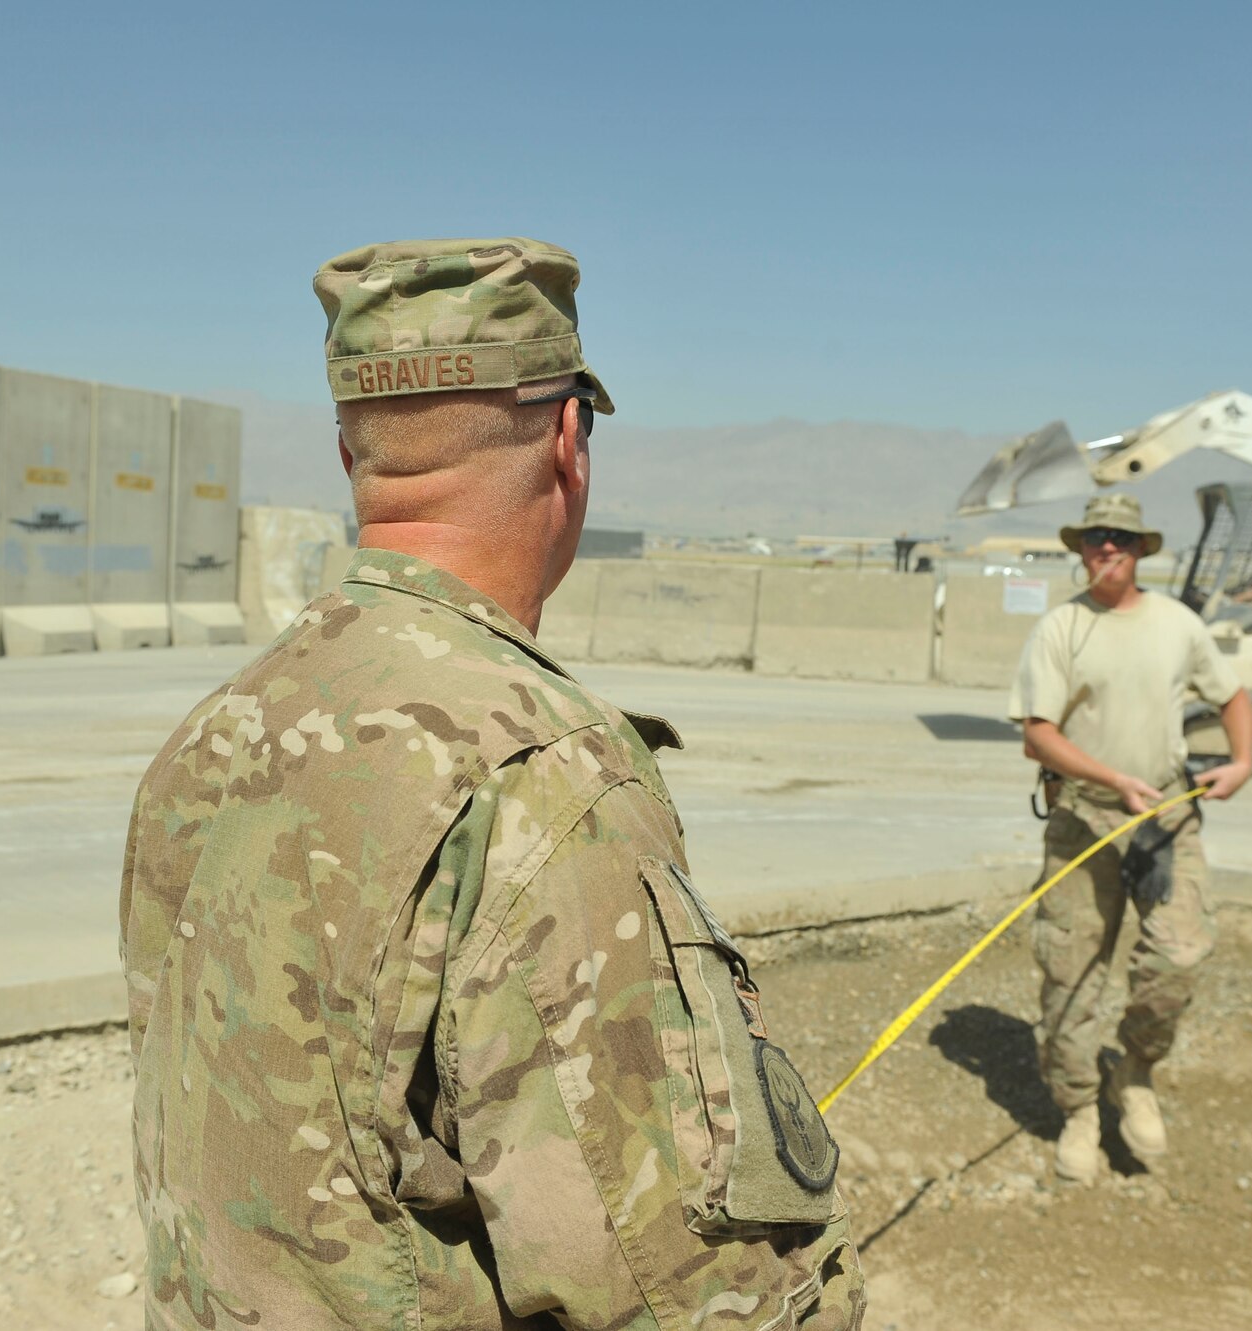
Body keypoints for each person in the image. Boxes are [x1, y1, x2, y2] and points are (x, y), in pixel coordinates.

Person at [119, 238, 862, 1329]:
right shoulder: (541, 776)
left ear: (346, 453)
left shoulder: (223, 725)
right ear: (568, 440)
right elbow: (675, 1291)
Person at [1008, 492, 1252, 1184]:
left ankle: (1136, 1071)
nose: (1105, 547)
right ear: (1081, 547)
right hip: (1084, 818)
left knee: (1179, 955)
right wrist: (1110, 778)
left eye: (1118, 536)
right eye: (1094, 537)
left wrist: (1242, 761)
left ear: (1140, 547)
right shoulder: (1062, 628)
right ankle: (1081, 1109)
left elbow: (1232, 695)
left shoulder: (1178, 624)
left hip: (1166, 818)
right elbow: (1038, 734)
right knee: (1071, 973)